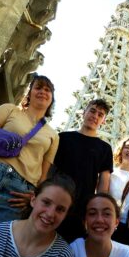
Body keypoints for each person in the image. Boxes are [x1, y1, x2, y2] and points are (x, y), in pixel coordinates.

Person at [0, 174, 77, 257]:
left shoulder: (63, 255)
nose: (51, 214)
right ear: (33, 199)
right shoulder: (0, 235)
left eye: (60, 209)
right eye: (46, 202)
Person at [0, 74, 59, 223]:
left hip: (18, 190)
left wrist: (34, 196)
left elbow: (43, 176)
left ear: (51, 99)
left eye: (47, 90)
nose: (42, 92)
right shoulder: (10, 110)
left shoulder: (53, 135)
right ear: (29, 93)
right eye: (38, 87)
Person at [53, 99, 113, 242]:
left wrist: (98, 210)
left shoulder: (105, 148)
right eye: (92, 111)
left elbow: (103, 183)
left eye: (100, 115)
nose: (95, 116)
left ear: (103, 121)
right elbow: (51, 169)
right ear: (83, 112)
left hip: (81, 209)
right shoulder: (63, 138)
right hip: (56, 200)